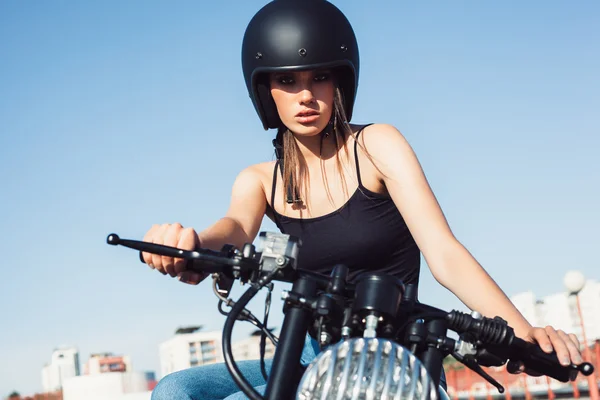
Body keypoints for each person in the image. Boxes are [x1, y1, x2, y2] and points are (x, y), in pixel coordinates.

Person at [145, 1, 584, 399]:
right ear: (265, 91)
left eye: (319, 76)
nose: (305, 95)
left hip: (392, 359)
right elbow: (233, 231)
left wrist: (525, 336)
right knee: (174, 390)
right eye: (287, 80)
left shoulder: (376, 146)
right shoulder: (261, 180)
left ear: (340, 80)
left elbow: (444, 253)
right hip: (310, 352)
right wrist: (190, 244)